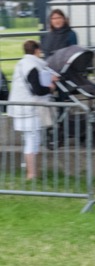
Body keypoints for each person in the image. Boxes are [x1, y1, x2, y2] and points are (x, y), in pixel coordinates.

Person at [7, 40, 57, 180]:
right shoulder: (33, 66)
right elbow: (38, 90)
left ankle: (31, 172)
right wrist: (51, 87)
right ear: (37, 50)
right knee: (32, 140)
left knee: (30, 140)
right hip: (29, 109)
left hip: (21, 107)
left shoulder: (22, 64)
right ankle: (31, 174)